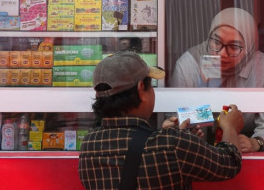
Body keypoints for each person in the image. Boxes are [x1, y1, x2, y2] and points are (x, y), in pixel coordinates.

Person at [79, 51, 244, 190]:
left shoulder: (88, 146)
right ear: (141, 89)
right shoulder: (173, 143)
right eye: (151, 86)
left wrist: (165, 135)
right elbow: (229, 162)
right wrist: (229, 126)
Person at [171, 7, 264, 152]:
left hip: (243, 154)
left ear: (250, 47)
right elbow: (175, 120)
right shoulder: (191, 63)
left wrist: (256, 142)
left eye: (234, 46)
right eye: (216, 42)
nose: (221, 53)